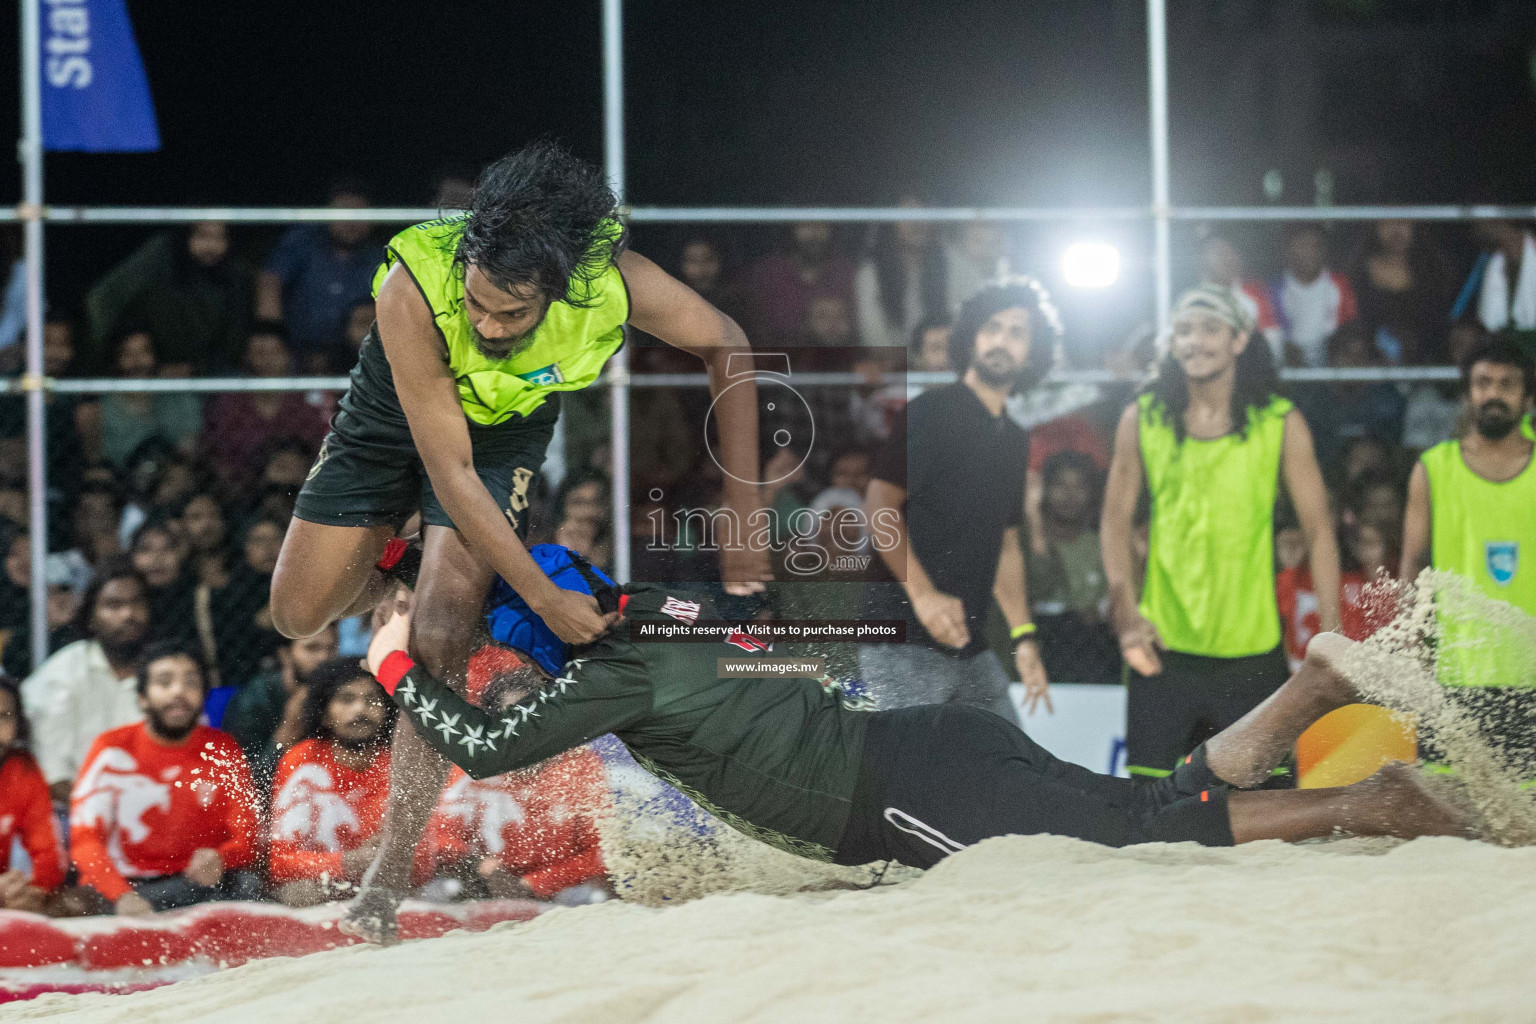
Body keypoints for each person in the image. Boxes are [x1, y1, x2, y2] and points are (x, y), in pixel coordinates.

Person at [355, 545, 1470, 948]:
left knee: (1147, 836)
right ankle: (1319, 696)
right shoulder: (665, 608)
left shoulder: (609, 670)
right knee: (1149, 809)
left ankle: (1366, 801)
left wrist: (398, 662)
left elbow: (486, 746)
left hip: (902, 790)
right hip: (932, 742)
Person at [270, 141, 770, 940]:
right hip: (391, 428)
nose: (489, 324)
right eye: (478, 305)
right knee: (297, 615)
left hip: (502, 439)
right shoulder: (414, 285)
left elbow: (730, 345)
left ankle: (387, 878)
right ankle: (402, 560)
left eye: (513, 312)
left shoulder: (613, 282)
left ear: (562, 288)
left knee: (440, 638)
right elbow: (448, 471)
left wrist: (746, 520)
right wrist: (541, 594)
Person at [1101, 286, 1340, 783]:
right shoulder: (1142, 417)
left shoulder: (1280, 421)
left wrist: (1331, 633)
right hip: (1163, 649)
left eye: (1209, 329)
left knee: (1263, 817)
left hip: (1252, 655)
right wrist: (1126, 613)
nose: (1195, 342)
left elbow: (1318, 531)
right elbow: (1114, 523)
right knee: (1150, 813)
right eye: (1183, 331)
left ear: (1239, 340)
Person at [859, 282, 1056, 725]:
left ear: (1033, 352)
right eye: (993, 327)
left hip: (969, 644)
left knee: (1008, 768)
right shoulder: (933, 411)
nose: (1002, 340)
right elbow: (879, 502)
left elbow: (1005, 543)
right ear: (970, 338)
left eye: (1017, 332)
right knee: (907, 781)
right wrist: (924, 596)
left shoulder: (1016, 441)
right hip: (901, 636)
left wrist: (1024, 637)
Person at [1400, 339, 1536, 758]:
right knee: (1446, 820)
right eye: (1483, 383)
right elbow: (1413, 568)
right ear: (1467, 395)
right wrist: (1413, 657)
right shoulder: (1433, 469)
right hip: (1452, 681)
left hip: (1531, 680)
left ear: (1528, 398)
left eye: (1507, 384)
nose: (1493, 393)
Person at [69, 642, 261, 915]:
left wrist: (222, 857)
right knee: (78, 904)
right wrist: (122, 896)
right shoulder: (111, 750)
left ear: (204, 695)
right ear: (142, 697)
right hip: (125, 889)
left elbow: (248, 834)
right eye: (164, 682)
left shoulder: (222, 749)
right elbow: (85, 841)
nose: (179, 692)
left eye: (191, 683)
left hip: (194, 883)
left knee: (247, 884)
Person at [426, 668, 608, 901]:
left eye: (533, 716)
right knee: (433, 895)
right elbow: (438, 837)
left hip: (558, 892)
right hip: (478, 885)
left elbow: (599, 853)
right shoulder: (469, 766)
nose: (523, 728)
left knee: (599, 897)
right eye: (510, 718)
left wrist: (534, 884)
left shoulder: (579, 766)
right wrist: (479, 867)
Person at [267, 658, 402, 907]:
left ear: (387, 709)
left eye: (372, 699)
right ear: (325, 714)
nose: (360, 709)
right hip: (318, 884)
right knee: (301, 892)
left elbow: (424, 862)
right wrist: (346, 863)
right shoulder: (301, 762)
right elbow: (280, 862)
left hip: (382, 885)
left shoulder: (400, 764)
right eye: (346, 699)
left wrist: (391, 854)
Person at [21, 566, 152, 801]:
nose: (128, 614)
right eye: (114, 605)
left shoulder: (163, 672)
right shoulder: (61, 674)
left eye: (137, 603)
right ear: (91, 616)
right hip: (73, 815)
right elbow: (52, 776)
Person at [85, 220, 252, 376]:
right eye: (202, 236)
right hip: (149, 368)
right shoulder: (162, 253)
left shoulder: (235, 271)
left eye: (219, 237)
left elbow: (234, 338)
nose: (210, 246)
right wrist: (110, 359)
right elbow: (102, 298)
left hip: (208, 370)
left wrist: (197, 368)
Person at [256, 179, 379, 366]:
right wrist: (272, 335)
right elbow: (270, 283)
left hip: (351, 357)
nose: (351, 222)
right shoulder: (301, 244)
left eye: (359, 213)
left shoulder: (380, 258)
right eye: (344, 212)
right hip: (294, 350)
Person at [200, 322, 330, 495]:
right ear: (246, 358)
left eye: (275, 352)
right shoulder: (229, 404)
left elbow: (320, 451)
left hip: (303, 490)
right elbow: (216, 456)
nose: (268, 360)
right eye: (260, 353)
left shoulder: (306, 403)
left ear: (288, 356)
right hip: (240, 492)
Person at [1025, 451, 1119, 685]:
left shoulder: (1100, 544)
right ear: (1044, 490)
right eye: (1060, 485)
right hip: (1042, 648)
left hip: (1092, 651)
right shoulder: (1027, 541)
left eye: (1079, 486)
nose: (1070, 495)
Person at [221, 623, 340, 790]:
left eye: (331, 648)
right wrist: (286, 734)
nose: (324, 657)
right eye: (312, 648)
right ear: (285, 655)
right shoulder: (254, 699)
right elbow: (244, 785)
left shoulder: (341, 694)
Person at [76, 327, 202, 471]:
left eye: (144, 352)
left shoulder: (180, 401)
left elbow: (187, 454)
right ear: (116, 360)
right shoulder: (99, 408)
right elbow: (97, 463)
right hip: (117, 479)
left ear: (156, 356)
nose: (137, 362)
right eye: (127, 354)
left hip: (168, 478)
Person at [734, 220, 857, 347]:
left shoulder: (849, 274)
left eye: (822, 225)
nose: (814, 234)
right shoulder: (765, 273)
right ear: (791, 229)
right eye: (805, 225)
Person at [0, 676, 66, 912]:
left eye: (4, 716)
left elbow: (48, 852)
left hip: (5, 895)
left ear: (19, 723)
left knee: (70, 905)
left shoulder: (23, 769)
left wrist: (34, 891)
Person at [1347, 219, 1451, 366]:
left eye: (1403, 222)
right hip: (1370, 367)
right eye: (1387, 223)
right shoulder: (1358, 272)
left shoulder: (1432, 272)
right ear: (1375, 227)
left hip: (1423, 366)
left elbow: (1438, 326)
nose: (1396, 230)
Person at [854, 201, 948, 349]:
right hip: (890, 367)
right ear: (890, 223)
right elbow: (873, 337)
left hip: (937, 365)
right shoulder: (870, 274)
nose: (917, 223)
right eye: (908, 215)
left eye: (923, 215)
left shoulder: (948, 266)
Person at [1270, 223, 1358, 367]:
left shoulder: (1339, 284)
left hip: (1333, 367)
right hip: (1292, 368)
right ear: (1288, 250)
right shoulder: (1277, 289)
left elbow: (1350, 327)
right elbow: (1275, 334)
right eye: (1303, 245)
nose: (1311, 252)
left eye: (1317, 246)